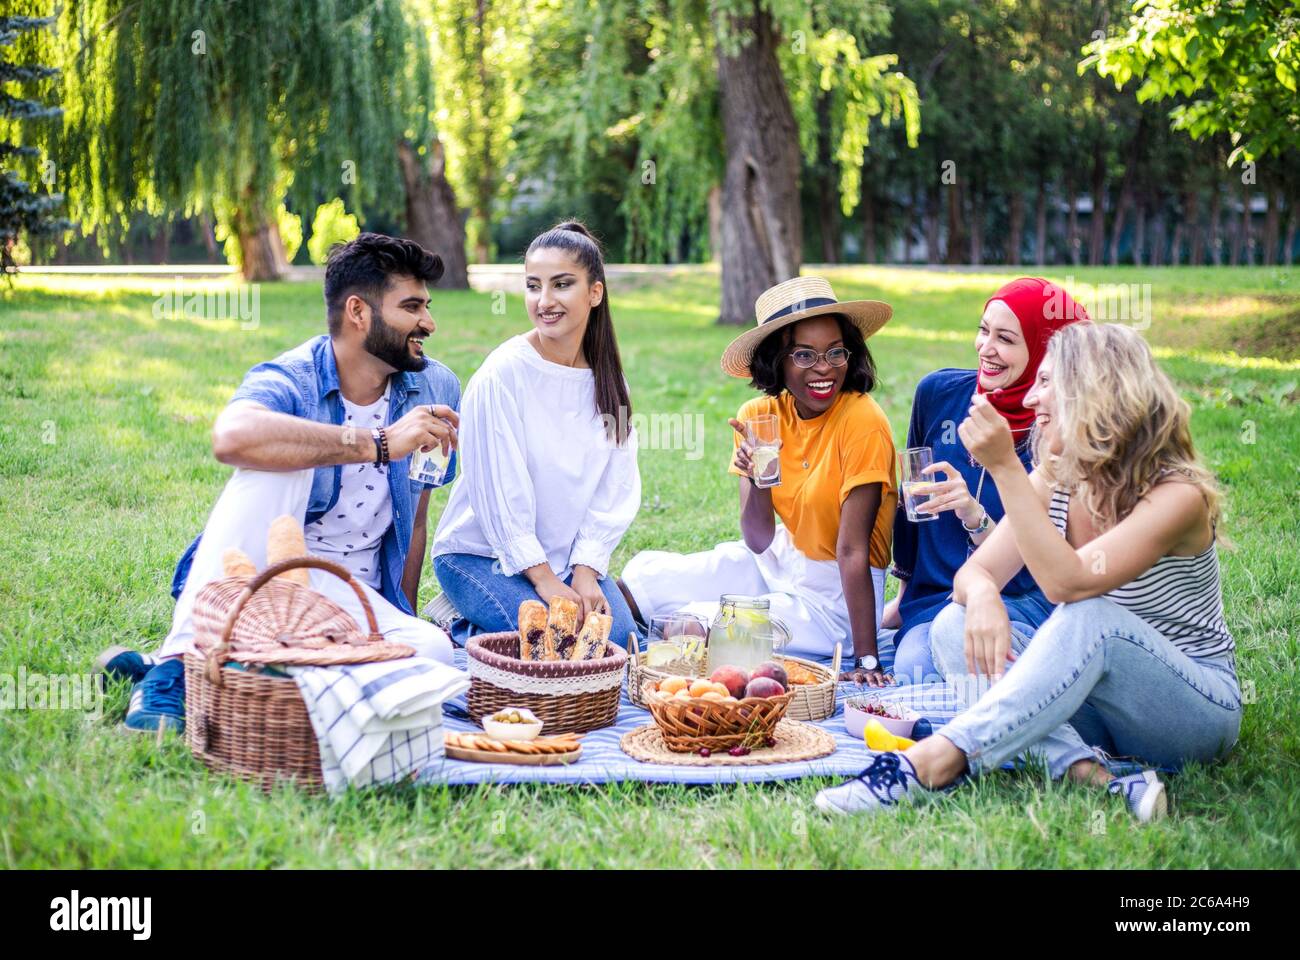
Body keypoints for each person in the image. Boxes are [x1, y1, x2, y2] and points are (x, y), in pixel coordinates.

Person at [814, 323, 1241, 822]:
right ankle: (1095, 776)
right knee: (953, 624)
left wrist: (1003, 468)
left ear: (1093, 392)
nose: (1032, 398)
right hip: (1095, 708)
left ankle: (935, 760)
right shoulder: (1058, 477)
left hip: (1187, 711)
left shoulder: (1177, 496)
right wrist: (985, 595)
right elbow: (970, 578)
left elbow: (1071, 584)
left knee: (1092, 614)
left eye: (1047, 383)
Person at [105, 233, 462, 734]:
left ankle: (235, 666)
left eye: (426, 305)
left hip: (354, 597)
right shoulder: (296, 378)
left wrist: (404, 616)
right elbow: (231, 436)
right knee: (282, 458)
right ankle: (180, 663)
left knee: (433, 654)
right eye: (412, 307)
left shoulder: (435, 385)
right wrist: (378, 441)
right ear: (358, 312)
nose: (429, 322)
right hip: (260, 581)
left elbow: (416, 517)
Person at [619, 277, 897, 682]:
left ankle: (668, 685)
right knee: (643, 583)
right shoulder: (759, 418)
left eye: (835, 352)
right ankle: (575, 642)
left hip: (837, 596)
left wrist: (867, 658)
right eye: (804, 355)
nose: (824, 368)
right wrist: (756, 479)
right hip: (778, 558)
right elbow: (758, 540)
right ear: (776, 360)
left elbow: (852, 551)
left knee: (695, 627)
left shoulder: (863, 420)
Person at [431, 221, 642, 646]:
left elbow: (613, 486)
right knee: (562, 644)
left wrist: (584, 573)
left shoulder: (610, 382)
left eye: (562, 285)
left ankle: (482, 625)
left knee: (619, 641)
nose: (544, 301)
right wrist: (545, 582)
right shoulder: (502, 374)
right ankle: (457, 623)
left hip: (562, 560)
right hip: (482, 555)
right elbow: (499, 493)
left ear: (594, 292)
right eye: (533, 286)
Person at [882, 277, 1088, 684]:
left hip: (1018, 600)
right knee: (910, 663)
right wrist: (903, 599)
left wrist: (972, 514)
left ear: (1046, 353)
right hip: (933, 597)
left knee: (926, 666)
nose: (986, 348)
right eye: (983, 330)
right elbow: (910, 507)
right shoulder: (938, 394)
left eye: (1006, 339)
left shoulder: (1055, 429)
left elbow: (1037, 573)